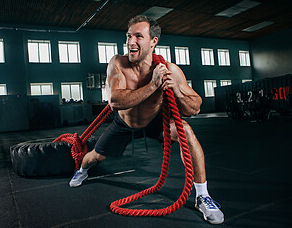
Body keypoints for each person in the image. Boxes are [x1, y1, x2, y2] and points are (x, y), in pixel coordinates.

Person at [69, 15, 224, 224]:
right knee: (94, 157)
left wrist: (176, 89)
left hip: (155, 122)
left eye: (138, 37)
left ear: (153, 42)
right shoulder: (118, 64)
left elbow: (195, 107)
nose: (131, 42)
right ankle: (81, 170)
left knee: (186, 131)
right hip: (125, 123)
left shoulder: (169, 69)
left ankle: (203, 195)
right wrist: (153, 85)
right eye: (128, 36)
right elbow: (115, 101)